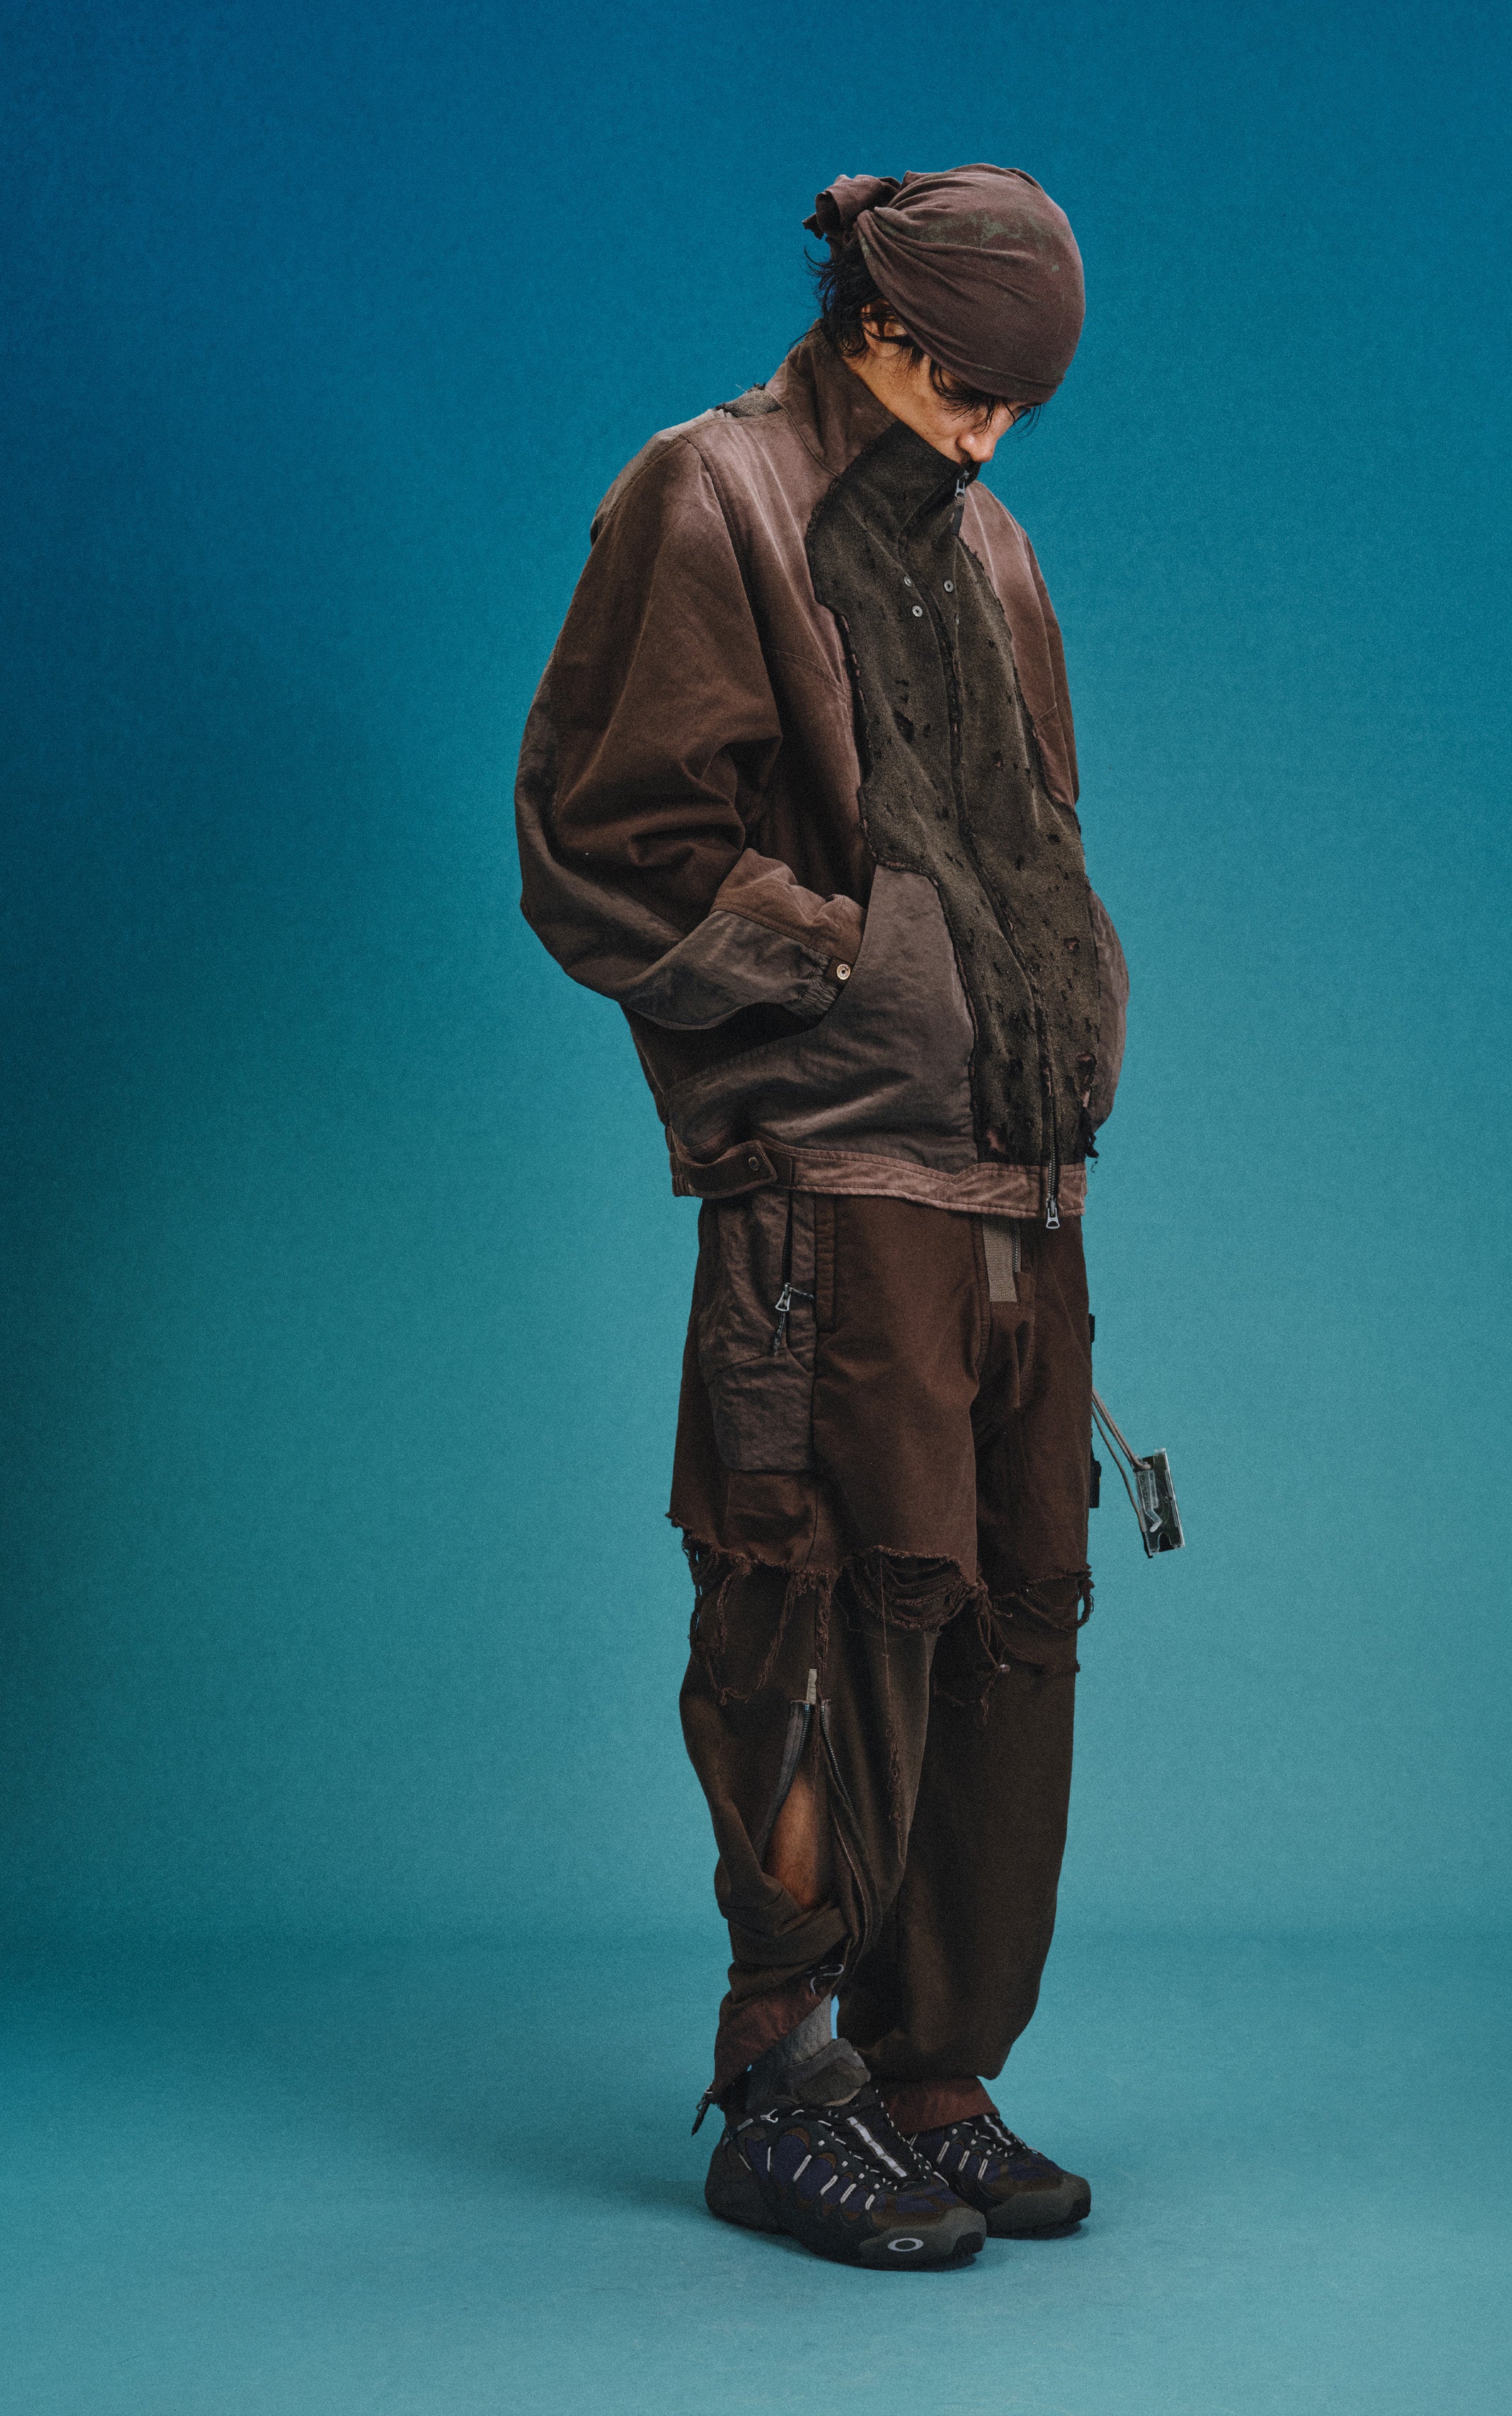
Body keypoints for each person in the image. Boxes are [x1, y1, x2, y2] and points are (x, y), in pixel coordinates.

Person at [515, 164, 1128, 2271]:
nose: (985, 436)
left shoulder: (993, 545)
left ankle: (932, 2072)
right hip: (833, 1193)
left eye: (1017, 407)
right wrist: (853, 967)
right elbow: (604, 845)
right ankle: (785, 2076)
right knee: (813, 1609)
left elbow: (1031, 846)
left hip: (1018, 1191)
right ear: (868, 313)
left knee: (1014, 1617)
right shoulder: (712, 497)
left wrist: (1052, 1016)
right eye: (959, 387)